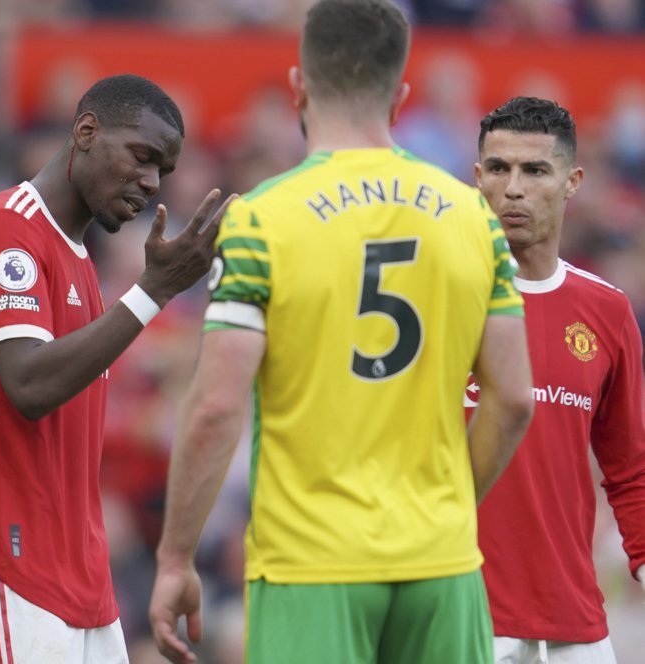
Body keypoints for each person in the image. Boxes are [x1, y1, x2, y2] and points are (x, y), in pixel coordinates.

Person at [147, 1, 535, 663]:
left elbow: (215, 406)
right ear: (400, 96)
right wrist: (444, 509)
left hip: (311, 561)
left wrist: (175, 556)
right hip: (440, 563)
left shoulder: (263, 219)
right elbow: (515, 397)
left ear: (299, 86)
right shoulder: (473, 215)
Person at [0, 73, 234, 663]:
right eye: (142, 156)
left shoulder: (79, 259)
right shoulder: (7, 228)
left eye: (163, 169)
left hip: (80, 581)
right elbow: (29, 384)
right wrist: (153, 292)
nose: (151, 182)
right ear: (86, 131)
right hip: (6, 572)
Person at [472, 96, 645, 664]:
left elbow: (631, 468)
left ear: (572, 181)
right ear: (477, 177)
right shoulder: (438, 295)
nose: (513, 188)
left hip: (576, 626)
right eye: (499, 169)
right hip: (462, 614)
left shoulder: (607, 310)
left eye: (535, 170)